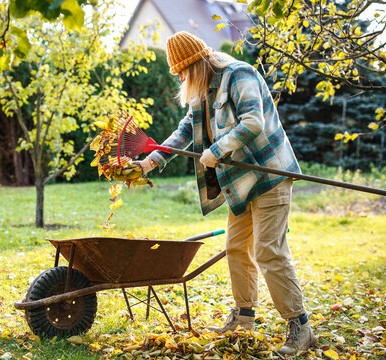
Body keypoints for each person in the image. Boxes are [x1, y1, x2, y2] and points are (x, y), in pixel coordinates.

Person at [133, 31, 316, 355]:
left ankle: (300, 326)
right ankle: (244, 317)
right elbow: (185, 131)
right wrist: (150, 162)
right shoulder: (202, 91)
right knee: (235, 248)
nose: (180, 78)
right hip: (239, 183)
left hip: (270, 175)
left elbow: (253, 121)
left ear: (196, 63)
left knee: (267, 251)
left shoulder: (238, 74)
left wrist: (217, 149)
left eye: (182, 71)